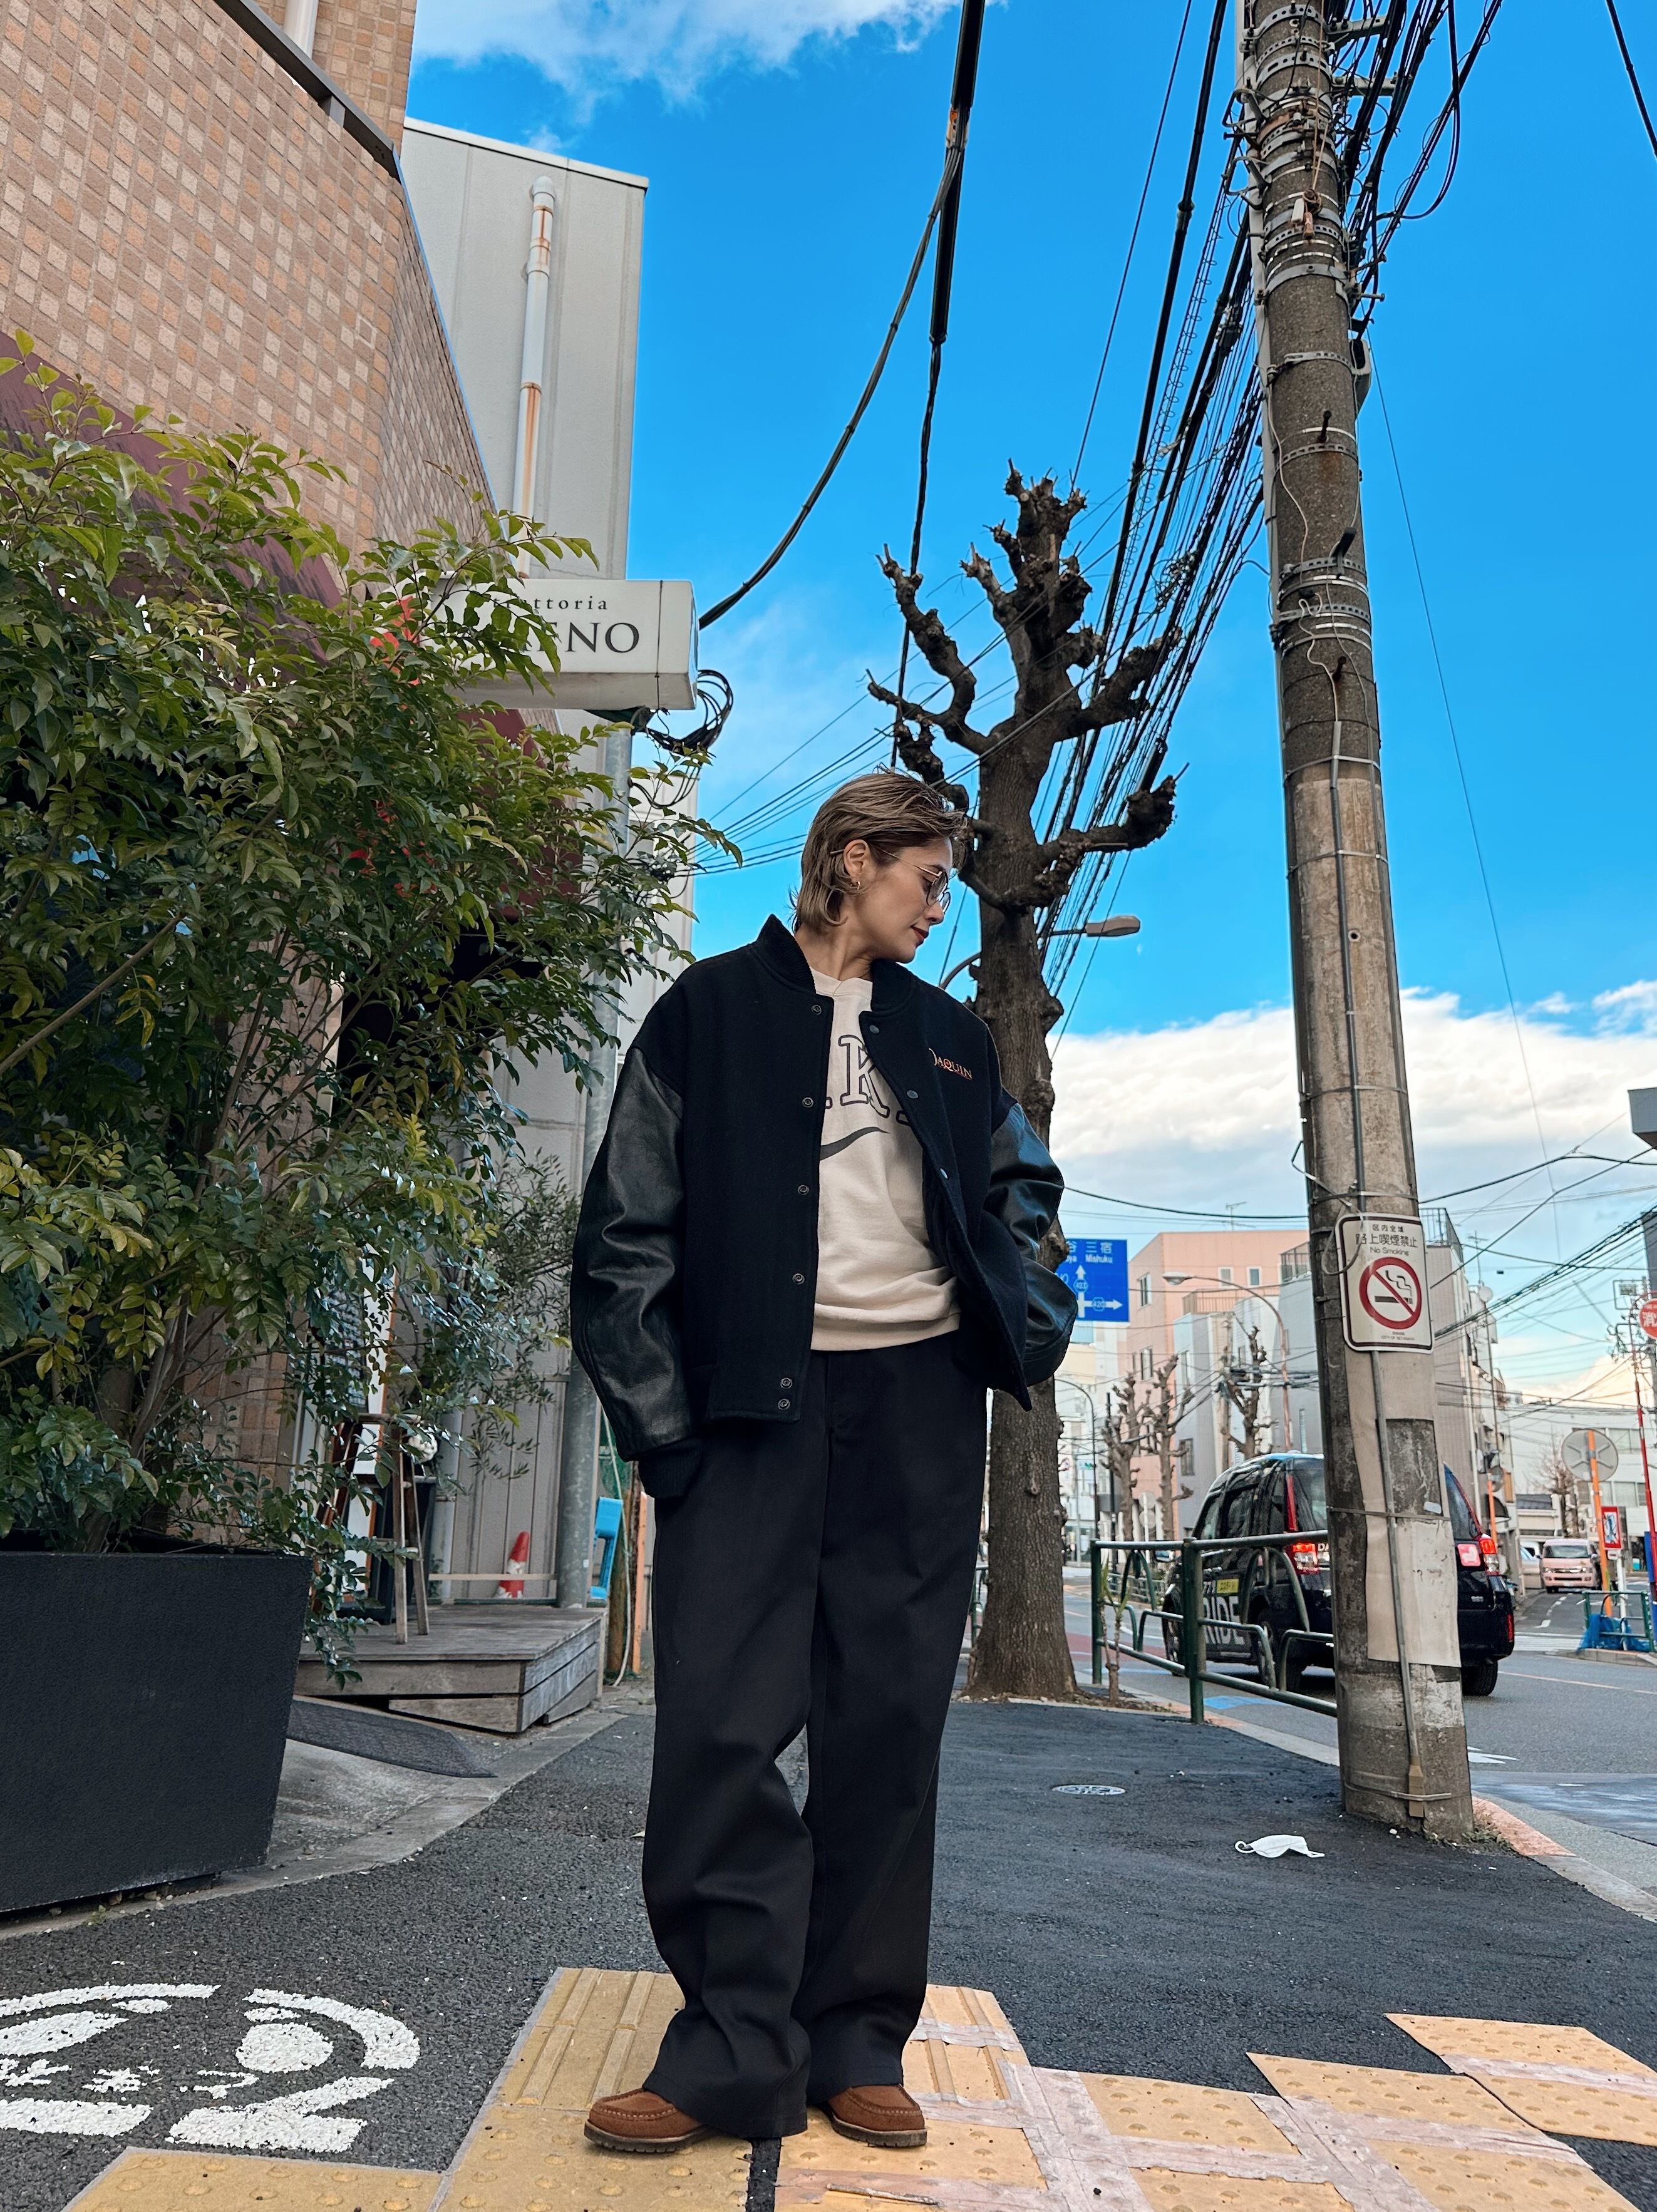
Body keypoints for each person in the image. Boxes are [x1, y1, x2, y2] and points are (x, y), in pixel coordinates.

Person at [569, 769, 1075, 2154]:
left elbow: (1024, 1193)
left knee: (887, 1728)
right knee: (720, 1731)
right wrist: (665, 1435)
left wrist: (1024, 1313)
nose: (939, 903)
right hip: (747, 1415)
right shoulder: (706, 1013)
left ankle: (855, 2038)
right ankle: (734, 2047)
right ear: (852, 859)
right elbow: (624, 1234)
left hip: (918, 1414)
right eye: (926, 875)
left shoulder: (952, 1038)